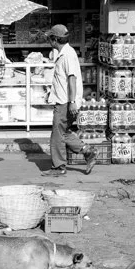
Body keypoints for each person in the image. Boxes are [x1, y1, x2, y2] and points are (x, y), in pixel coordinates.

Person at [43, 24, 96, 176]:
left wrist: (72, 102)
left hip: (65, 102)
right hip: (64, 100)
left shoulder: (67, 55)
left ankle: (59, 167)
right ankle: (88, 151)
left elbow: (72, 79)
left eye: (50, 38)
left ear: (55, 39)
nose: (49, 41)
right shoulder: (64, 53)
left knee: (57, 135)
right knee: (62, 133)